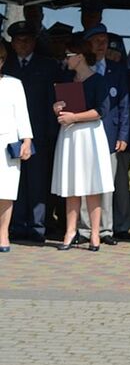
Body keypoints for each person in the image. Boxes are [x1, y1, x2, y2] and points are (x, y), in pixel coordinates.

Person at [51, 36, 115, 252]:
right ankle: (70, 230)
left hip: (89, 135)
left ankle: (95, 233)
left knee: (92, 184)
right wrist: (58, 108)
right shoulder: (67, 78)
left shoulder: (98, 81)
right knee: (72, 184)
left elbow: (101, 111)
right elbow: (61, 103)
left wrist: (74, 118)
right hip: (70, 135)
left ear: (79, 57)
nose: (66, 59)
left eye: (69, 55)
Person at [3, 21, 60, 243]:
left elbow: (53, 102)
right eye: (19, 40)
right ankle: (17, 226)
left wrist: (50, 134)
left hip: (38, 134)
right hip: (9, 135)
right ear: (12, 43)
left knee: (37, 183)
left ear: (35, 42)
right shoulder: (6, 68)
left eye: (27, 40)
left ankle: (37, 227)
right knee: (13, 183)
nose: (23, 44)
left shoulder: (47, 66)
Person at [77, 24, 130, 245]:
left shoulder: (116, 70)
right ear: (87, 44)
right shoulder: (80, 69)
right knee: (83, 181)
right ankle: (85, 229)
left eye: (104, 40)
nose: (101, 45)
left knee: (106, 183)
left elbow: (124, 105)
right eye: (96, 40)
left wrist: (124, 135)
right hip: (83, 134)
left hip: (109, 134)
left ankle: (106, 229)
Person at [0, 43, 34, 252]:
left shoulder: (14, 84)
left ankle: (3, 233)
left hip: (7, 142)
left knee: (6, 190)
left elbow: (22, 114)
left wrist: (27, 140)